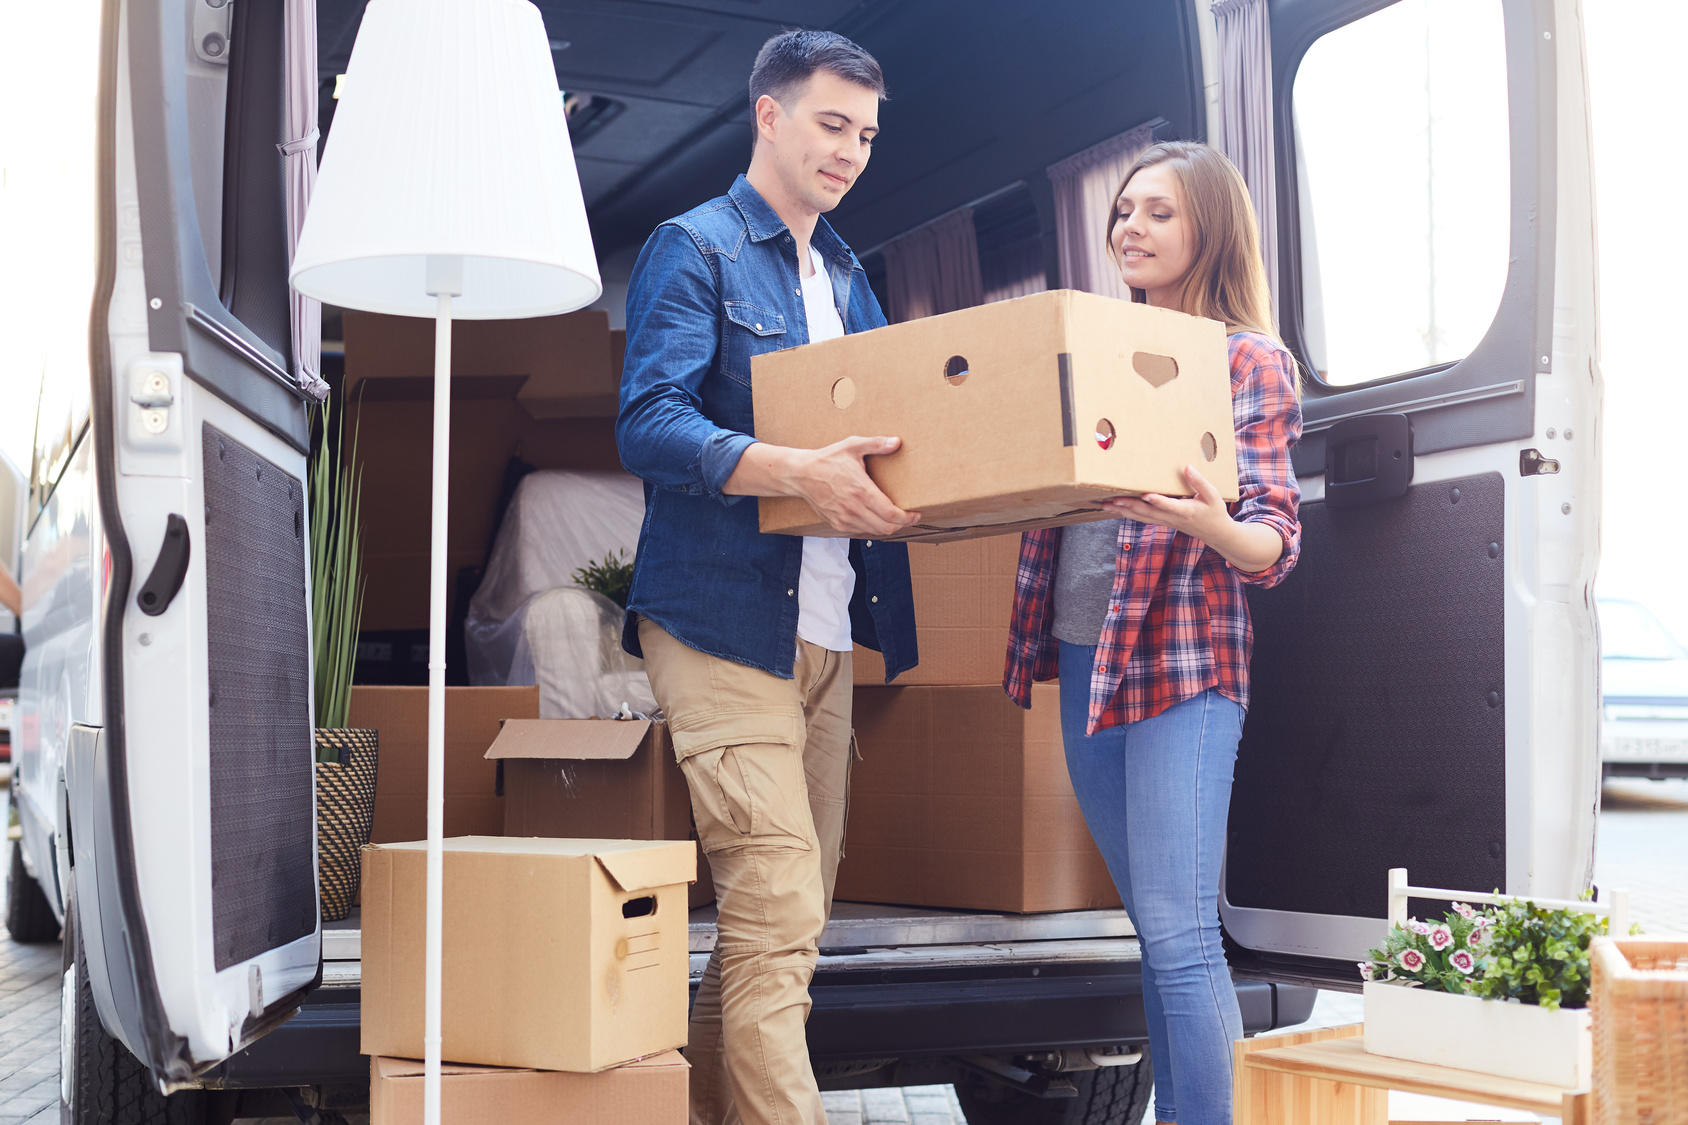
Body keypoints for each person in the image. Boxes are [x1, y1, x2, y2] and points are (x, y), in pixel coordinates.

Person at [615, 29, 919, 1125]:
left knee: (778, 920)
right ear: (770, 117)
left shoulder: (844, 271)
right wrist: (792, 469)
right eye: (831, 125)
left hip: (829, 623)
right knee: (780, 907)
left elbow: (902, 431)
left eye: (867, 135)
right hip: (716, 619)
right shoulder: (691, 247)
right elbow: (647, 422)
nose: (850, 153)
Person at [1003, 141, 1302, 1125]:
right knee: (1153, 930)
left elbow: (1271, 541)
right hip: (1085, 657)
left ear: (1207, 227)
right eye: (1122, 211)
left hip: (1181, 664)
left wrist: (1205, 522)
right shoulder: (1082, 356)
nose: (1128, 227)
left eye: (1156, 212)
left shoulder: (1243, 360)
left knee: (1177, 935)